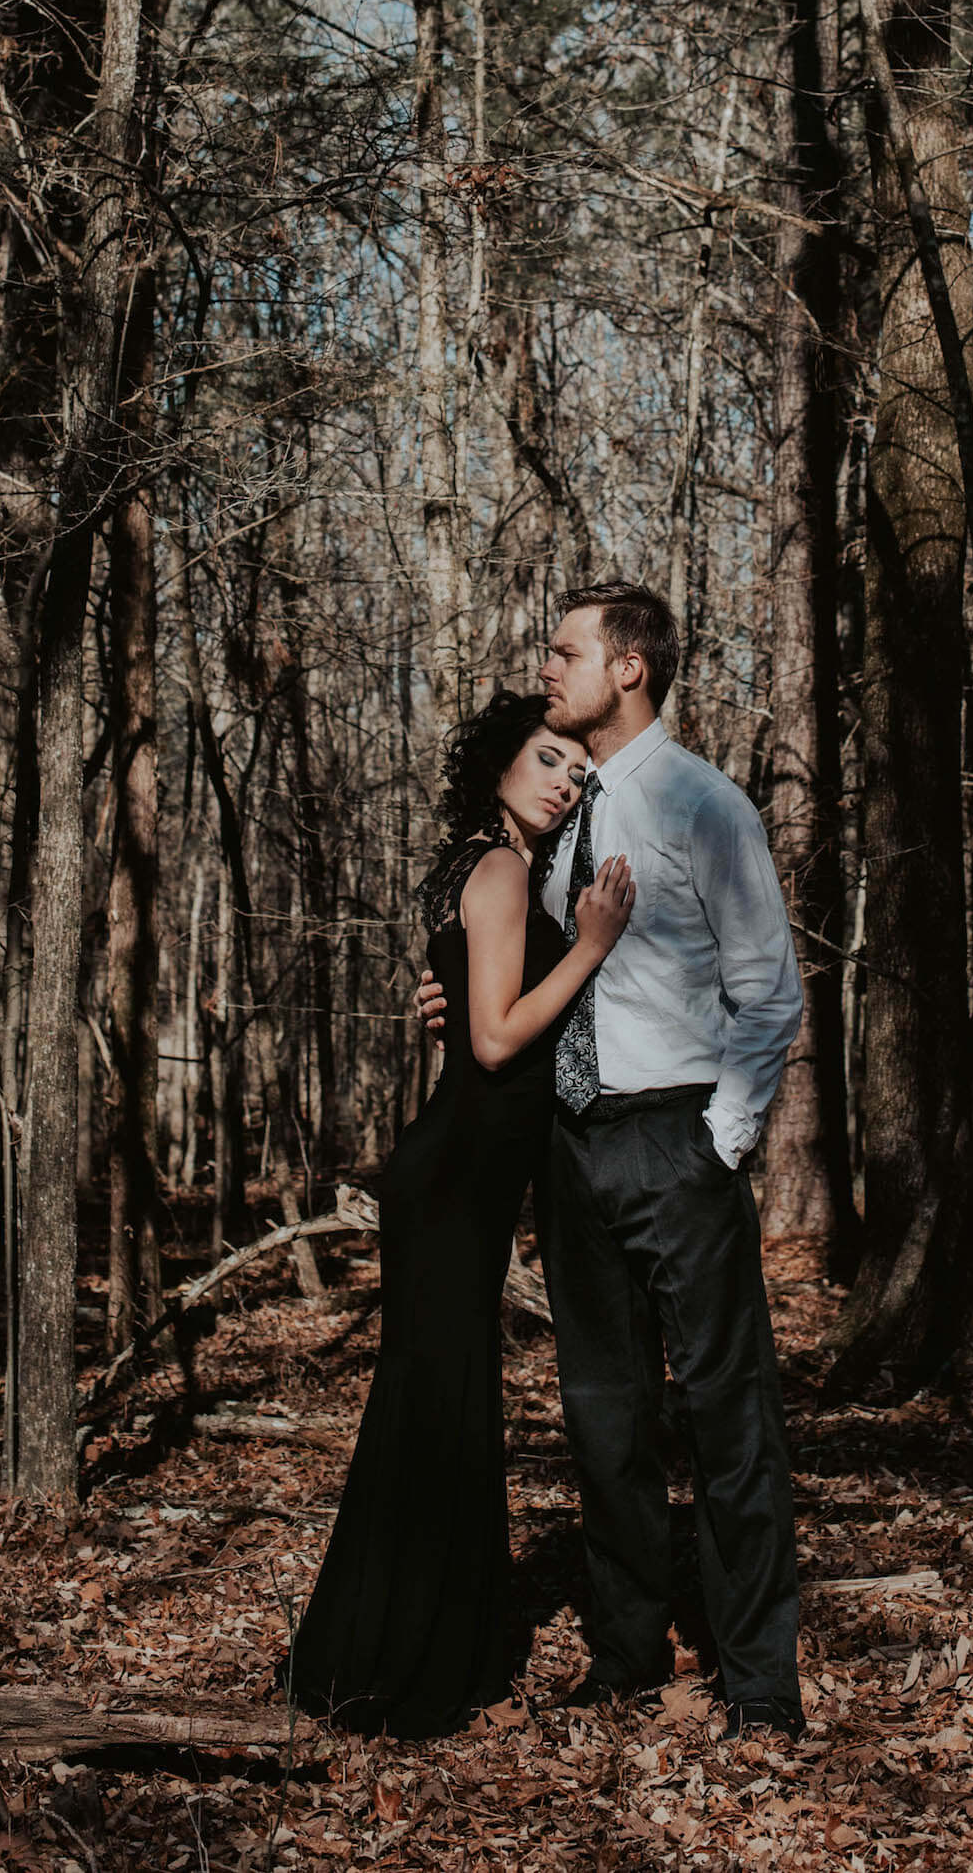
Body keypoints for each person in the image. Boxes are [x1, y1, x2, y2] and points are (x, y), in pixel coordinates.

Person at [418, 580, 806, 1738]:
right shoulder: (555, 817)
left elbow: (767, 991)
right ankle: (627, 1658)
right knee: (603, 1419)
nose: (549, 666)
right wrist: (453, 992)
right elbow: (525, 977)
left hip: (675, 1137)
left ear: (629, 666)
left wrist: (714, 1142)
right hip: (567, 1149)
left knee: (728, 1419)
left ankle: (757, 1684)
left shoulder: (701, 805)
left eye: (567, 649)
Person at [288, 690, 636, 1738]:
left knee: (436, 1406)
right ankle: (393, 1664)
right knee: (434, 1409)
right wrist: (592, 944)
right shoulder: (498, 867)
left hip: (458, 1178)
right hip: (448, 1183)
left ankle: (418, 1648)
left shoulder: (483, 865)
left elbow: (463, 1013)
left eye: (575, 770)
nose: (562, 780)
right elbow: (490, 1043)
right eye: (543, 758)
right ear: (495, 764)